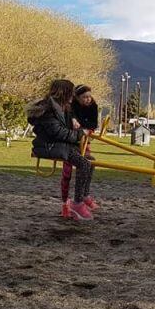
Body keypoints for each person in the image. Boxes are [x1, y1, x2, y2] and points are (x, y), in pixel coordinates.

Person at [27, 80, 96, 221]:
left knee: (90, 161)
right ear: (64, 93)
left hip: (60, 144)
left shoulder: (62, 107)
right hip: (50, 146)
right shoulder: (49, 110)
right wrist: (80, 133)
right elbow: (58, 132)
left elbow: (67, 122)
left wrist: (74, 122)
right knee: (84, 164)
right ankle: (77, 203)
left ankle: (83, 196)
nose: (73, 96)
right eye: (70, 93)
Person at [60, 84, 99, 213]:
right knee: (67, 172)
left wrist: (82, 126)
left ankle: (84, 195)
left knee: (90, 162)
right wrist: (80, 125)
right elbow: (71, 124)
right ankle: (66, 202)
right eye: (84, 97)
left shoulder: (93, 106)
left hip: (83, 140)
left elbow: (94, 124)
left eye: (89, 96)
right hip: (70, 142)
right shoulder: (71, 107)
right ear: (76, 97)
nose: (88, 99)